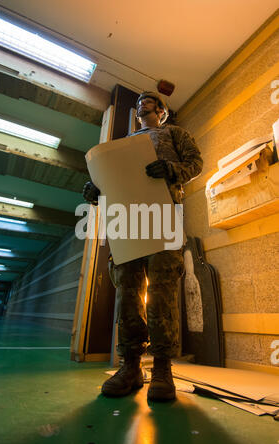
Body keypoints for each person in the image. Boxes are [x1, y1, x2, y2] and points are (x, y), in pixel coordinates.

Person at [83, 91, 203, 401]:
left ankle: (162, 368)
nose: (142, 104)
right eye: (139, 103)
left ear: (162, 111)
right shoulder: (122, 146)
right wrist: (97, 186)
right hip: (129, 221)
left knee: (161, 293)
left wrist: (173, 169)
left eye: (150, 101)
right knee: (127, 292)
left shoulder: (174, 133)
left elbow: (196, 162)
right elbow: (112, 180)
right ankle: (131, 366)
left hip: (163, 214)